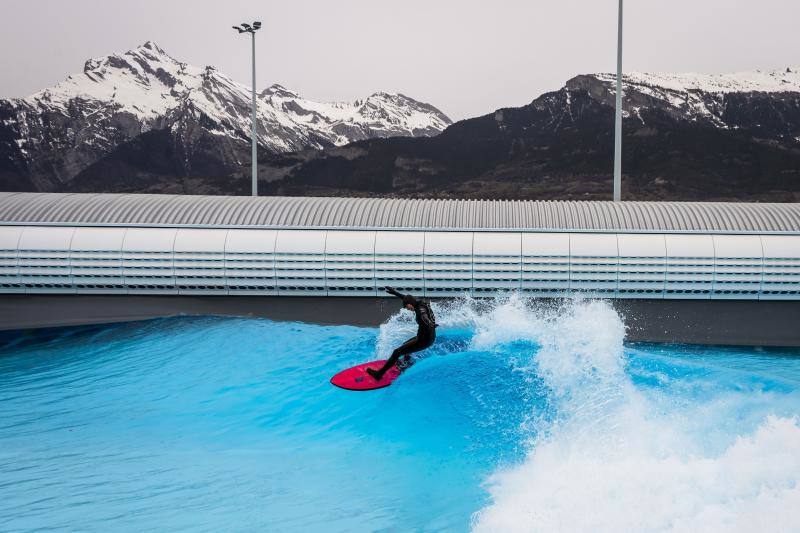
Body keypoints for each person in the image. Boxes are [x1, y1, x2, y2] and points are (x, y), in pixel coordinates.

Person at [367, 287, 438, 381]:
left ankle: (379, 374)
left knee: (397, 352)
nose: (408, 309)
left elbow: (424, 316)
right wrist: (395, 293)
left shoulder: (420, 310)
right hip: (427, 337)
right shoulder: (419, 303)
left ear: (410, 304)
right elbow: (406, 298)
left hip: (424, 340)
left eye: (407, 307)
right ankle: (405, 364)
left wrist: (430, 324)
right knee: (405, 345)